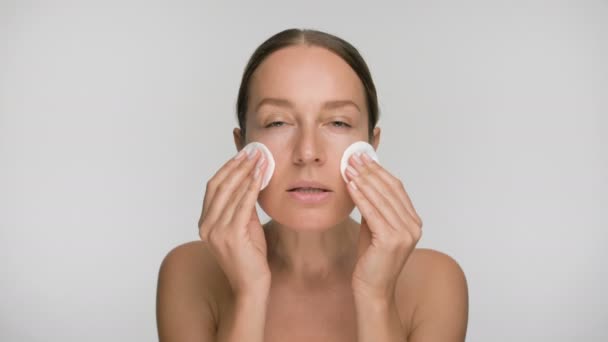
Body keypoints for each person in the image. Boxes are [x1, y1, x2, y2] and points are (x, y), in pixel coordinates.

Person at [156, 28, 469, 342]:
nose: (308, 153)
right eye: (277, 122)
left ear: (371, 146)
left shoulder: (435, 282)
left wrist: (377, 299)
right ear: (243, 146)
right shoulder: (188, 274)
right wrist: (248, 295)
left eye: (338, 122)